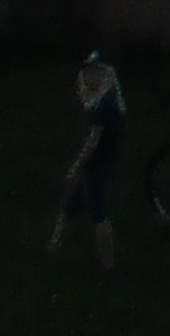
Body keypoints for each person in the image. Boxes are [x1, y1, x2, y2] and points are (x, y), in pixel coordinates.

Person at [48, 50, 128, 269]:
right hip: (95, 167)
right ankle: (53, 249)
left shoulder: (104, 105)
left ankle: (108, 265)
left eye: (95, 72)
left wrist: (75, 167)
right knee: (67, 206)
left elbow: (93, 141)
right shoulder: (102, 99)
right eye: (87, 73)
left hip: (97, 168)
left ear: (103, 74)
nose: (89, 77)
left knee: (99, 216)